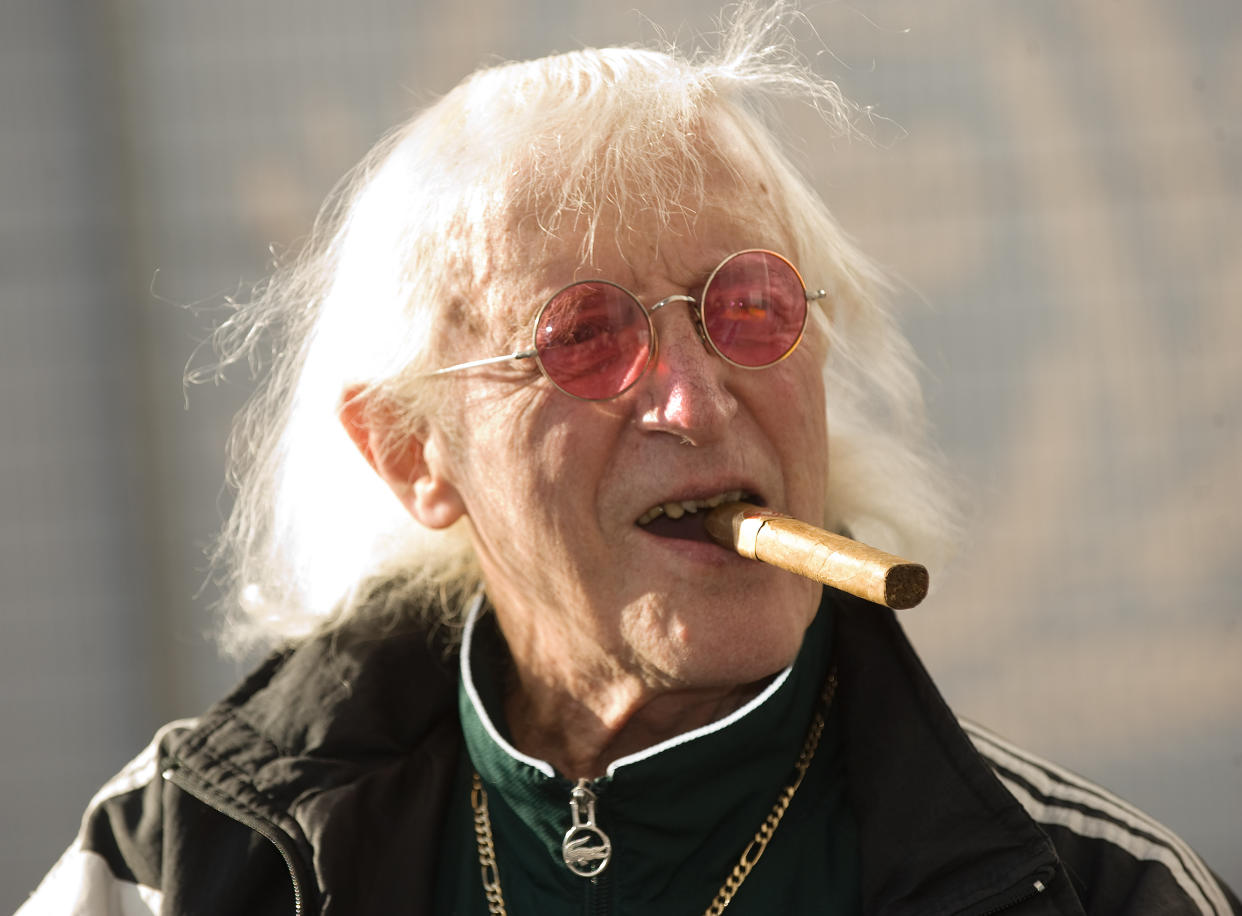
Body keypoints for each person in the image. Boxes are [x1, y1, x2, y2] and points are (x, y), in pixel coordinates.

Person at [17, 6, 1239, 915]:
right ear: (410, 453)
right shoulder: (183, 854)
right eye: (587, 336)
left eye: (749, 307)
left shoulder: (1096, 889)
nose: (696, 399)